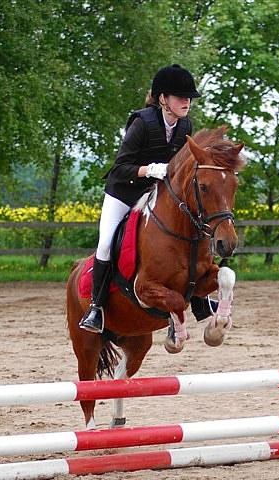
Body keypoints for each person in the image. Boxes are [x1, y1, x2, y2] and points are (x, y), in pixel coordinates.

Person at [80, 64, 215, 333]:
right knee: (106, 244)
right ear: (163, 99)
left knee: (192, 227)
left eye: (188, 97)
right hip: (124, 192)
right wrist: (150, 169)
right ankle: (96, 308)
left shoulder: (185, 124)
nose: (186, 101)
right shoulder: (142, 122)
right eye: (179, 96)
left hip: (155, 193)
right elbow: (120, 168)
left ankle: (199, 299)